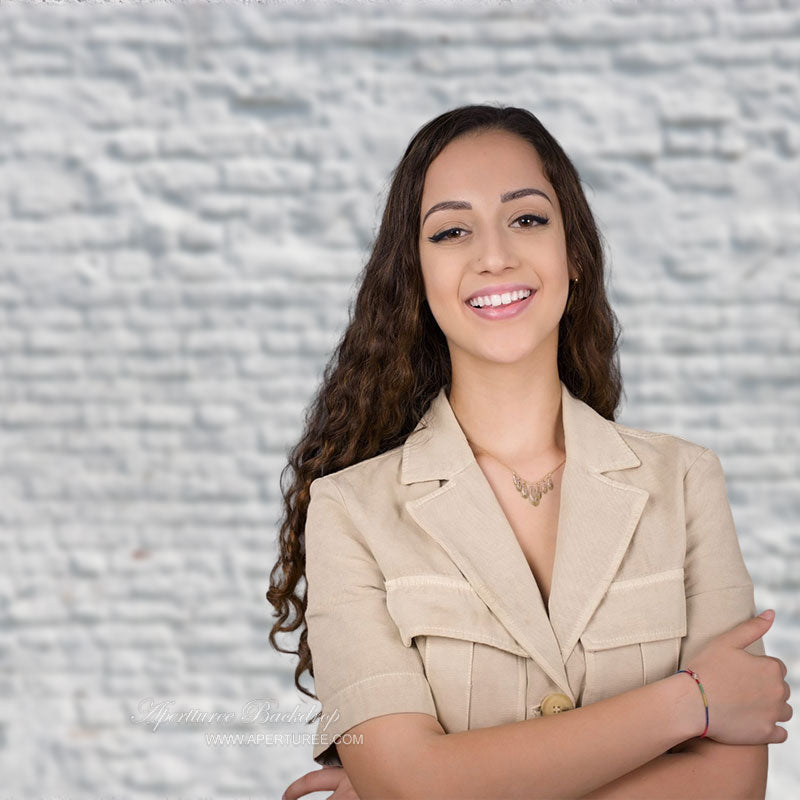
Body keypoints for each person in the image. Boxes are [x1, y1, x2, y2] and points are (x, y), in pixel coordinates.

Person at [268, 104, 791, 800]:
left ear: (572, 250)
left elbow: (730, 787)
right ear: (415, 276)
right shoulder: (349, 512)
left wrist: (437, 785)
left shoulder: (686, 482)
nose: (494, 255)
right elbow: (410, 783)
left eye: (527, 218)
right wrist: (689, 703)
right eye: (452, 231)